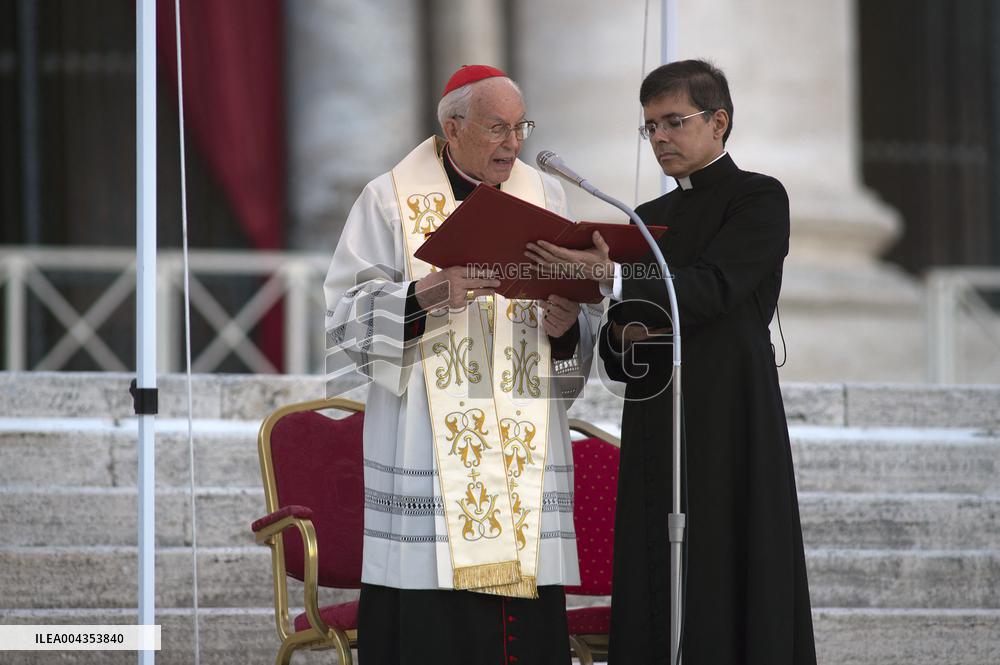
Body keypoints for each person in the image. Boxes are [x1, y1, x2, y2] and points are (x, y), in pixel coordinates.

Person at [525, 59, 817, 664]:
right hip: (657, 420)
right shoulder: (647, 219)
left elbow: (713, 289)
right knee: (656, 573)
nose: (659, 137)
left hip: (731, 412)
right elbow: (621, 355)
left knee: (729, 567)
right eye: (650, 126)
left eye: (673, 122)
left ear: (719, 122)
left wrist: (612, 279)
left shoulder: (758, 198)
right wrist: (591, 317)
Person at [324, 64, 599, 665]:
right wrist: (425, 294)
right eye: (497, 128)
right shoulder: (388, 198)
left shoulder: (546, 194)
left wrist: (566, 328)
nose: (513, 143)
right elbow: (343, 318)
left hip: (524, 436)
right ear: (452, 128)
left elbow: (578, 323)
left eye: (520, 127)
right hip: (426, 439)